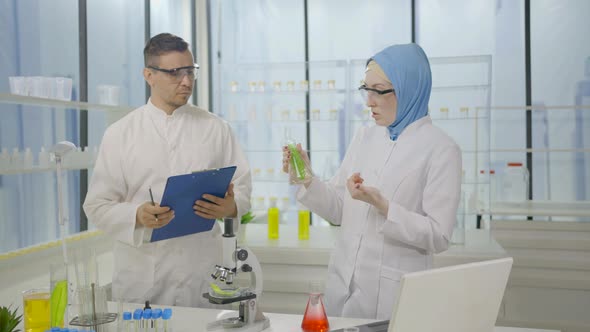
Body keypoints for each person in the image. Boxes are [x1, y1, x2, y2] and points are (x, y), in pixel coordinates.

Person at [282, 43, 462, 319]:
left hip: (394, 298)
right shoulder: (365, 137)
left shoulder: (441, 149)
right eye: (366, 89)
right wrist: (308, 179)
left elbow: (439, 235)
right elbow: (339, 209)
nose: (369, 101)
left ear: (410, 88)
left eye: (380, 90)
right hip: (342, 288)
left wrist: (384, 206)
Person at [84, 33, 251, 307]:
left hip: (201, 274)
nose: (186, 81)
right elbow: (97, 205)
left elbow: (242, 187)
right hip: (142, 278)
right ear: (149, 75)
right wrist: (136, 215)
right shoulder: (120, 134)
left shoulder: (216, 128)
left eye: (190, 71)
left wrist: (229, 208)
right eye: (175, 73)